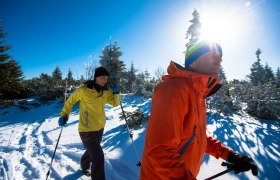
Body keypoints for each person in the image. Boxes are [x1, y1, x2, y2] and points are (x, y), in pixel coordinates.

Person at [140, 41, 258, 179]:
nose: (219, 60)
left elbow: (196, 137)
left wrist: (231, 155)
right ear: (192, 62)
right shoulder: (175, 89)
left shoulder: (197, 94)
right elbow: (159, 151)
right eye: (211, 54)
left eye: (220, 57)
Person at [58, 66, 120, 180]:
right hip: (86, 129)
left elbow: (115, 103)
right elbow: (70, 102)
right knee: (98, 156)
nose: (105, 80)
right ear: (96, 77)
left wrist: (116, 93)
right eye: (102, 77)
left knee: (92, 151)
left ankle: (84, 165)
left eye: (106, 78)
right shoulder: (83, 90)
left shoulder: (105, 91)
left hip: (100, 128)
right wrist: (64, 114)